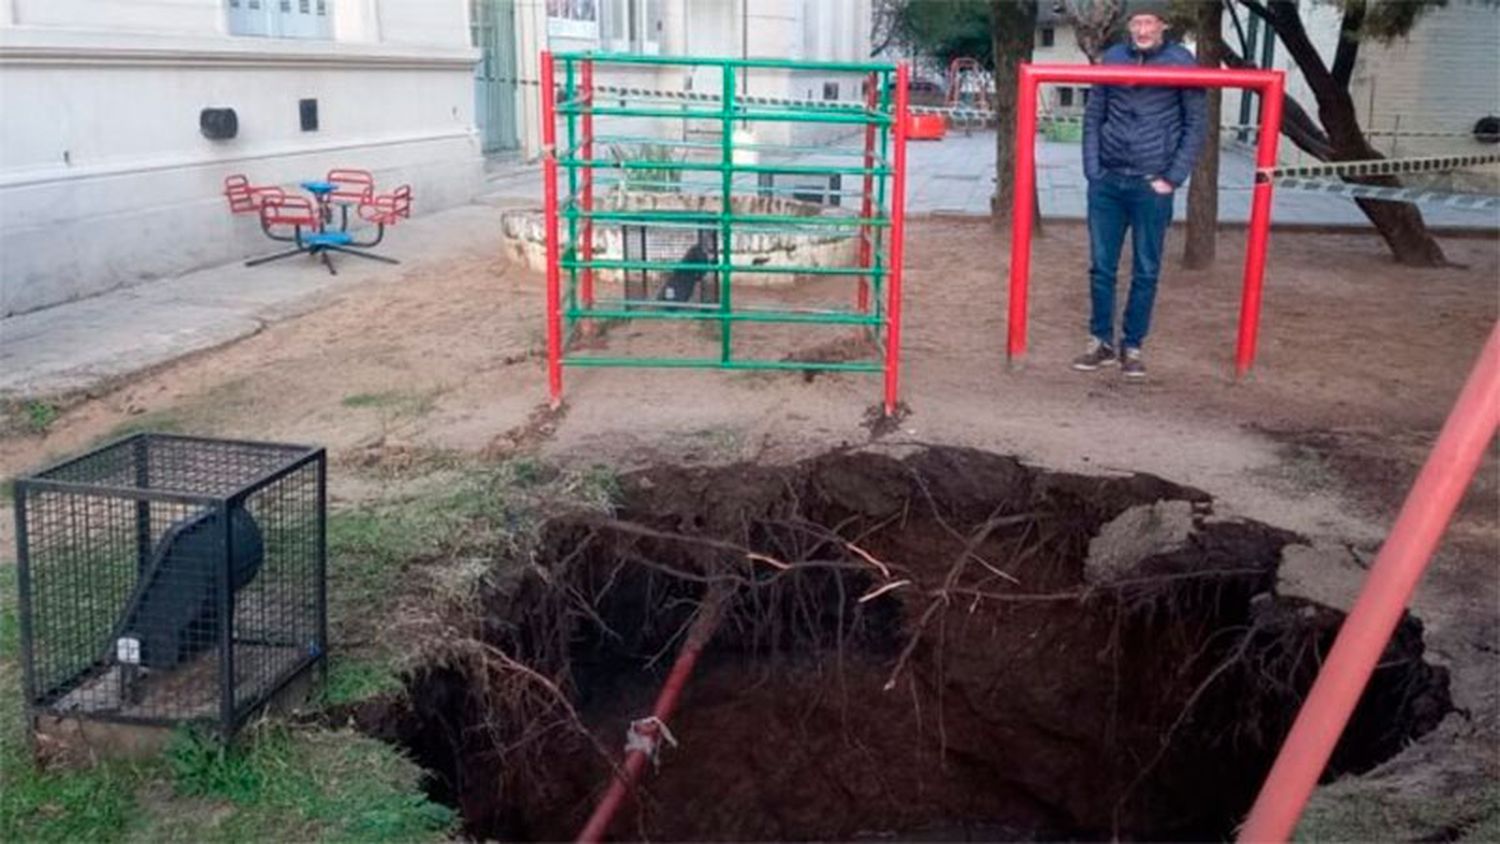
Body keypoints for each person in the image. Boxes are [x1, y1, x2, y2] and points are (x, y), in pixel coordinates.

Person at [1072, 1, 1207, 379]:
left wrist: (1172, 178)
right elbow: (1094, 115)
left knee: (1146, 269)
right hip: (1108, 181)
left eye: (1149, 22)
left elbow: (1195, 125)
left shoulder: (1181, 63)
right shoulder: (1113, 57)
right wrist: (1093, 170)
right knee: (1101, 267)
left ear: (1163, 25)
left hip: (1152, 182)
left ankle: (1133, 345)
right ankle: (1100, 341)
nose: (1142, 30)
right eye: (1136, 22)